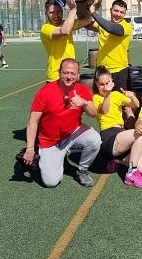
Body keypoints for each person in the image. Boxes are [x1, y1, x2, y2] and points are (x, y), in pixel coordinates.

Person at [23, 58, 101, 188]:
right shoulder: (45, 92)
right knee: (51, 182)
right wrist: (29, 148)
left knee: (95, 140)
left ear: (78, 75)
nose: (69, 77)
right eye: (65, 73)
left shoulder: (82, 90)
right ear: (59, 73)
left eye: (72, 73)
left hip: (73, 133)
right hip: (50, 141)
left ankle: (82, 170)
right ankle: (42, 156)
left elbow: (93, 114)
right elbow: (32, 122)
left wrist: (85, 103)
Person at [93, 66, 142, 188]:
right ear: (96, 84)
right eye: (101, 84)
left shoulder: (117, 95)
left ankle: (117, 160)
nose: (104, 87)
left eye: (107, 83)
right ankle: (131, 174)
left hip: (121, 135)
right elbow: (104, 110)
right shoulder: (96, 98)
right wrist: (107, 94)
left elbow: (136, 104)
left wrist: (132, 95)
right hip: (108, 137)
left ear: (112, 82)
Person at [40, 0, 91, 83]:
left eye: (58, 11)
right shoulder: (45, 28)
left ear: (62, 11)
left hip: (71, 73)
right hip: (56, 75)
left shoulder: (66, 23)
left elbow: (87, 20)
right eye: (52, 12)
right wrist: (73, 10)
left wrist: (84, 4)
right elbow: (65, 30)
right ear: (46, 13)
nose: (55, 15)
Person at [87, 0, 133, 91]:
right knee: (100, 101)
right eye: (116, 10)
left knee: (121, 101)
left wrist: (92, 11)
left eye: (122, 12)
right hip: (101, 70)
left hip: (119, 71)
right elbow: (86, 24)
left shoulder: (127, 27)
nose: (118, 14)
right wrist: (85, 5)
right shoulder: (102, 25)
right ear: (110, 10)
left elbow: (111, 28)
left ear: (125, 14)